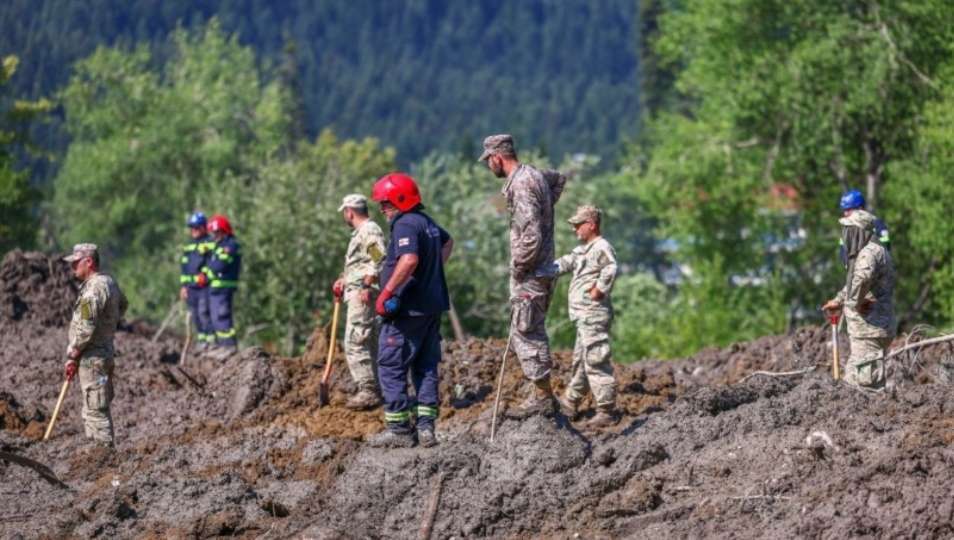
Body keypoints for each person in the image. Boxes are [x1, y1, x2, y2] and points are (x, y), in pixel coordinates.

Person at [479, 134, 566, 417]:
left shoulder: (522, 183)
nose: (488, 167)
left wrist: (519, 266)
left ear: (496, 157)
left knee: (527, 332)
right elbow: (558, 179)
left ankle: (542, 397)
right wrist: (548, 207)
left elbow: (531, 234)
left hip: (531, 273)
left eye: (488, 161)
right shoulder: (534, 175)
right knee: (529, 328)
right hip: (543, 268)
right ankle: (541, 393)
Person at [367, 172, 453, 448]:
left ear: (400, 200)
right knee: (426, 366)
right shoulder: (426, 222)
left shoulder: (404, 223)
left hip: (407, 311)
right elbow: (447, 242)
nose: (382, 209)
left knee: (391, 365)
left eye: (385, 203)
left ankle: (399, 429)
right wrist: (433, 271)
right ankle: (426, 428)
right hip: (431, 308)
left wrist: (388, 292)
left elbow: (409, 260)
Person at [549, 206, 620, 428]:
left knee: (596, 359)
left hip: (594, 314)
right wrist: (539, 270)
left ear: (591, 224)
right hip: (583, 316)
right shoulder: (584, 250)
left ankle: (606, 409)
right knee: (581, 360)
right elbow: (566, 262)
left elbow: (611, 267)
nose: (575, 230)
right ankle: (570, 401)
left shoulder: (601, 247)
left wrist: (599, 289)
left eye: (578, 225)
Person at [63, 243, 128, 448]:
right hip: (105, 353)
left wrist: (73, 354)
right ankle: (98, 456)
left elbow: (85, 327)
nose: (73, 267)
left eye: (76, 263)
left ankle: (103, 458)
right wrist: (107, 325)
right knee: (99, 406)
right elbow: (123, 305)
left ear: (89, 261)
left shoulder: (93, 289)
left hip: (92, 358)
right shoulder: (110, 283)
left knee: (94, 411)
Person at [822, 208, 896, 388]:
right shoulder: (867, 251)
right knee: (853, 382)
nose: (845, 234)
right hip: (868, 331)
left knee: (866, 386)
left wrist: (855, 302)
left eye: (849, 229)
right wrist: (839, 300)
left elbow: (862, 279)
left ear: (859, 231)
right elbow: (854, 283)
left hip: (871, 330)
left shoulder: (869, 253)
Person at [332, 194, 387, 410]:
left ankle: (368, 390)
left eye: (344, 213)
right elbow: (363, 263)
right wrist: (345, 279)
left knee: (356, 342)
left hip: (363, 294)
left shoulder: (369, 230)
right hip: (357, 290)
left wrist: (366, 285)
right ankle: (376, 389)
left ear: (349, 212)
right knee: (366, 340)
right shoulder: (363, 232)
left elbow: (378, 257)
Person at [203, 214, 242, 359]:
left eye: (216, 232)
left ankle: (230, 346)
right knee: (215, 318)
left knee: (222, 316)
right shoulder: (219, 245)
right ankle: (222, 345)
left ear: (224, 231)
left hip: (224, 288)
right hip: (216, 288)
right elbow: (212, 264)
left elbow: (219, 265)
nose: (214, 235)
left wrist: (207, 273)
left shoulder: (230, 245)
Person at [179, 212, 216, 353]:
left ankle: (211, 342)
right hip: (191, 288)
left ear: (203, 227)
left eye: (196, 227)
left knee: (204, 313)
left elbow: (213, 263)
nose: (193, 230)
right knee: (195, 315)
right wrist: (183, 287)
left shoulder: (210, 243)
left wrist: (206, 275)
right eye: (192, 227)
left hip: (204, 287)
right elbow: (184, 267)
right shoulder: (188, 246)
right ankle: (202, 341)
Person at [838, 189, 890, 267]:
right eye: (844, 210)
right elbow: (843, 252)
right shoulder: (846, 229)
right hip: (856, 273)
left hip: (877, 272)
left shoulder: (876, 224)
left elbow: (885, 247)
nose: (845, 213)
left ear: (860, 208)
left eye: (848, 209)